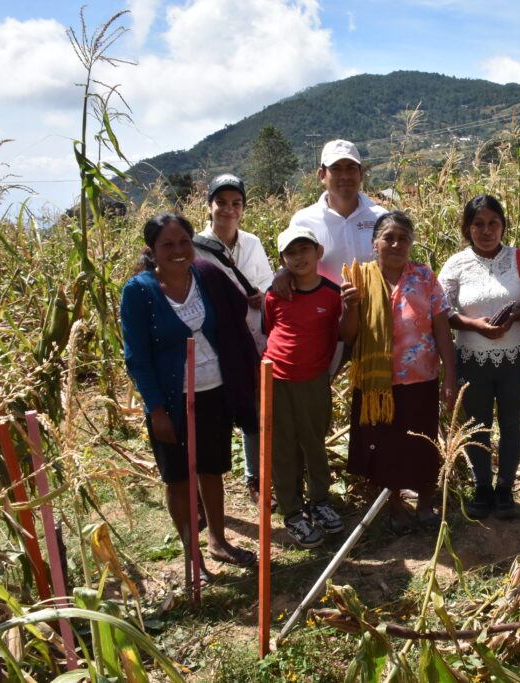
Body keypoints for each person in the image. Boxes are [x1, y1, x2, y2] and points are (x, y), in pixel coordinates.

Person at [121, 213, 258, 580]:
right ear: (152, 250)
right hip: (171, 399)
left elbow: (238, 309)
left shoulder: (206, 276)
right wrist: (156, 410)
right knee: (179, 478)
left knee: (212, 470)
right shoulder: (139, 291)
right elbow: (137, 356)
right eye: (168, 244)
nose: (178, 251)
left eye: (184, 242)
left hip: (213, 390)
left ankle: (217, 540)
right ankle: (191, 554)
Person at [340, 211, 457, 535]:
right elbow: (348, 336)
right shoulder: (359, 279)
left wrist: (450, 376)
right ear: (375, 242)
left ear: (411, 243)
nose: (395, 243)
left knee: (422, 445)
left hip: (422, 380)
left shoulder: (424, 277)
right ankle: (395, 508)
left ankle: (424, 504)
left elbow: (442, 330)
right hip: (379, 385)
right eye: (388, 237)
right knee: (386, 448)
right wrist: (350, 307)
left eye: (403, 238)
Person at [438, 195, 520, 520]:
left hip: (515, 358)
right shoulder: (456, 264)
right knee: (476, 426)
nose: (486, 230)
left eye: (493, 222)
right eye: (478, 224)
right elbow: (441, 310)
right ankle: (482, 486)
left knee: (511, 424)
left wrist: (514, 315)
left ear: (503, 225)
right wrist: (472, 325)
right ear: (467, 228)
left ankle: (505, 488)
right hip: (471, 357)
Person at [192, 174, 274, 507]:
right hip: (215, 342)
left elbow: (268, 285)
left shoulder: (252, 243)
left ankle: (254, 477)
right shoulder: (194, 246)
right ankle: (205, 486)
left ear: (243, 208)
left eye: (236, 203)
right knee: (215, 411)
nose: (229, 209)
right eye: (221, 203)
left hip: (253, 340)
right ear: (209, 206)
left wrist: (261, 297)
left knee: (252, 407)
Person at [263, 225, 347, 548]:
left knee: (314, 443)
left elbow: (339, 338)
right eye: (291, 253)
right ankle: (292, 511)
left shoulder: (331, 294)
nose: (299, 257)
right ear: (282, 260)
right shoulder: (277, 293)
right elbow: (269, 328)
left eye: (305, 250)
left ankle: (320, 501)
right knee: (282, 446)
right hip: (277, 381)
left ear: (318, 253)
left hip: (314, 381)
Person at [281, 139, 388, 284]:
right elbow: (290, 269)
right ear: (322, 175)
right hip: (323, 306)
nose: (345, 176)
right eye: (336, 168)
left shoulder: (381, 218)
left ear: (361, 173)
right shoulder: (303, 222)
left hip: (374, 307)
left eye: (351, 168)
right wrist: (282, 276)